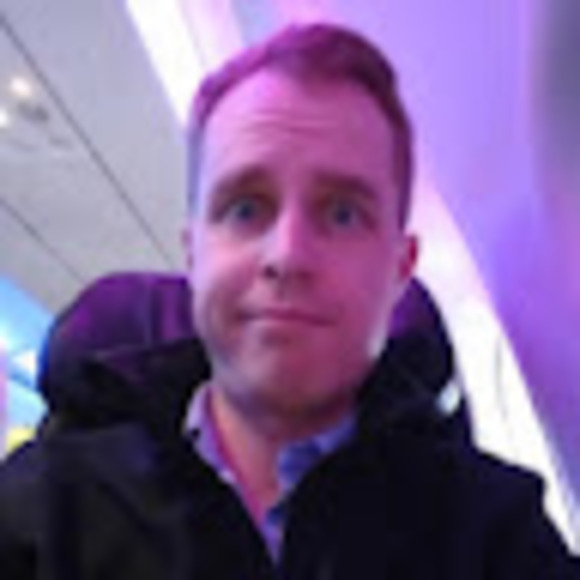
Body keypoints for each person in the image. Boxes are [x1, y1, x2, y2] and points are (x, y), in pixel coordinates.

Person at [0, 22, 578, 579]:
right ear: (194, 254)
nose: (289, 254)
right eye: (245, 208)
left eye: (343, 213)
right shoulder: (41, 512)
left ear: (399, 270)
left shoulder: (494, 533)